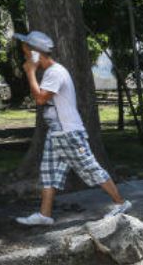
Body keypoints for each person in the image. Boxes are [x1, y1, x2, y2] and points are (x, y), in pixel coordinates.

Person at [13, 31, 130, 226]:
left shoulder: (55, 73)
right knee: (48, 173)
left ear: (35, 53)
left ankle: (121, 203)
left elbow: (41, 99)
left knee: (90, 168)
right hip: (56, 134)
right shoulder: (52, 72)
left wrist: (30, 72)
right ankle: (45, 215)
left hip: (68, 132)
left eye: (26, 50)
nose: (24, 54)